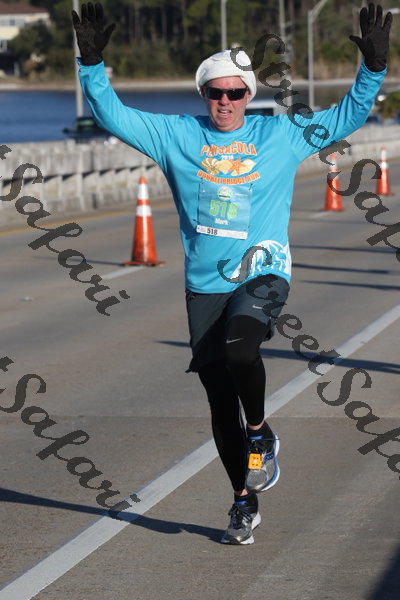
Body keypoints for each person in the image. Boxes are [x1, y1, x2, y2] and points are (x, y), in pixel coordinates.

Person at [72, 2, 391, 544]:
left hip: (263, 271)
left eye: (236, 93)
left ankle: (260, 434)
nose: (225, 102)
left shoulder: (280, 134)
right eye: (216, 93)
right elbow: (111, 115)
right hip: (204, 285)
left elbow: (347, 116)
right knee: (221, 402)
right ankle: (243, 500)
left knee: (243, 350)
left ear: (249, 94)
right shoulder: (176, 135)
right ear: (204, 94)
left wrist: (374, 69)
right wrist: (91, 65)